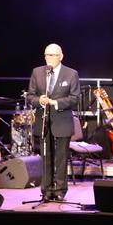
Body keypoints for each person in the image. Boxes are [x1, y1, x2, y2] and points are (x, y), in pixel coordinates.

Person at [28, 43, 80, 201]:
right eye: (47, 55)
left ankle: (60, 190)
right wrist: (39, 100)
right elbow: (30, 96)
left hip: (62, 121)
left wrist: (55, 102)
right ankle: (47, 190)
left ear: (61, 56)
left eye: (53, 55)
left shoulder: (71, 74)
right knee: (46, 156)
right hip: (43, 121)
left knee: (61, 158)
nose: (49, 58)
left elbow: (75, 98)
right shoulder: (37, 72)